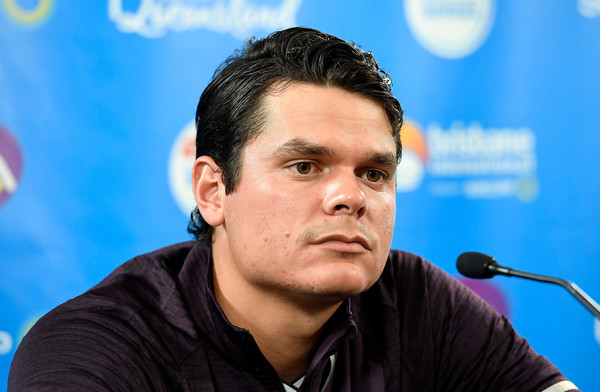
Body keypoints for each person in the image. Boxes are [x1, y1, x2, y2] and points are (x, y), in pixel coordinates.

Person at [9, 27, 579, 392]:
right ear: (212, 191)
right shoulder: (94, 349)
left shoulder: (416, 302)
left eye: (374, 173)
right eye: (305, 166)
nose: (351, 196)